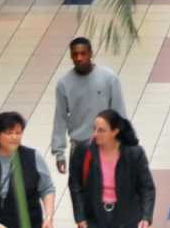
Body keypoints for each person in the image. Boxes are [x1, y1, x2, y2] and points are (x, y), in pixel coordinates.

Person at [49, 37, 129, 169]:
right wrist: (59, 153)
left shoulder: (109, 78)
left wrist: (125, 144)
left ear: (91, 54)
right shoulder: (64, 84)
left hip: (106, 145)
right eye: (75, 54)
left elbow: (119, 112)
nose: (79, 58)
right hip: (79, 147)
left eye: (83, 53)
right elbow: (60, 118)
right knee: (78, 188)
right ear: (71, 56)